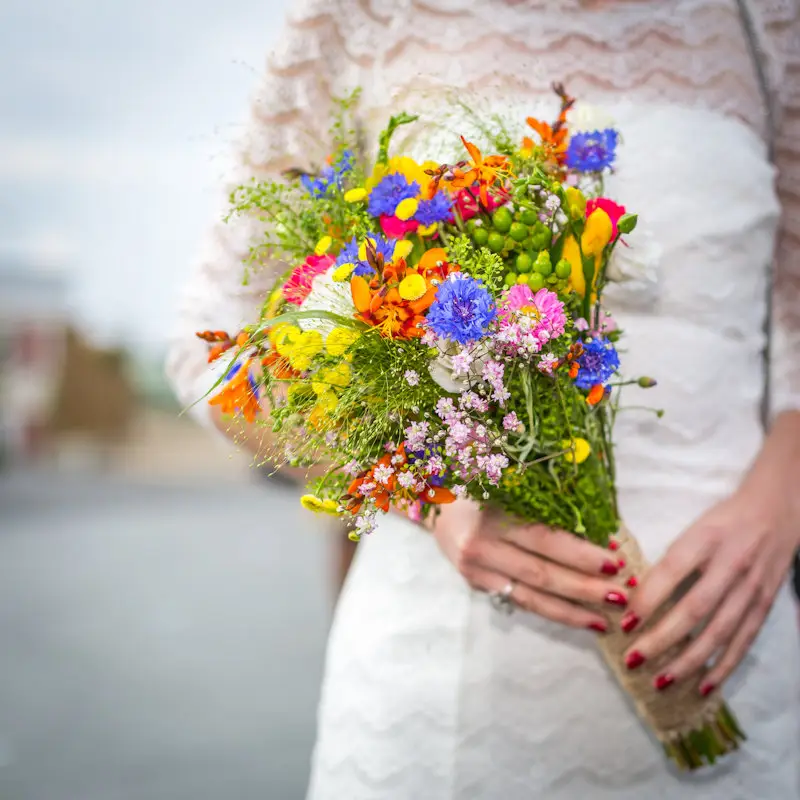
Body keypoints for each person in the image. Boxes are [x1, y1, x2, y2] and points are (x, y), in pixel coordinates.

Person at [166, 0, 800, 796]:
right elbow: (212, 353)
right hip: (437, 707)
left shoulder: (768, 21)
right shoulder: (362, 15)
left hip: (736, 662)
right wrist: (428, 489)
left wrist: (784, 496)